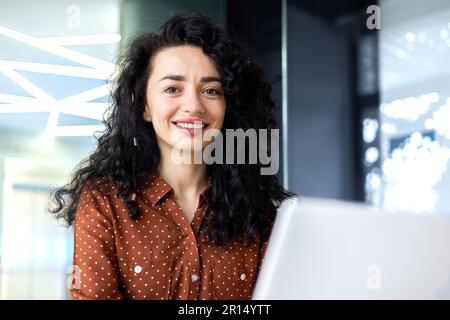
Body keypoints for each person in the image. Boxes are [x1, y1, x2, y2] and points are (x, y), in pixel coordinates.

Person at [50, 11, 293, 300]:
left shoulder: (260, 213)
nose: (193, 105)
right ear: (145, 107)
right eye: (173, 88)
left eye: (211, 90)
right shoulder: (105, 202)